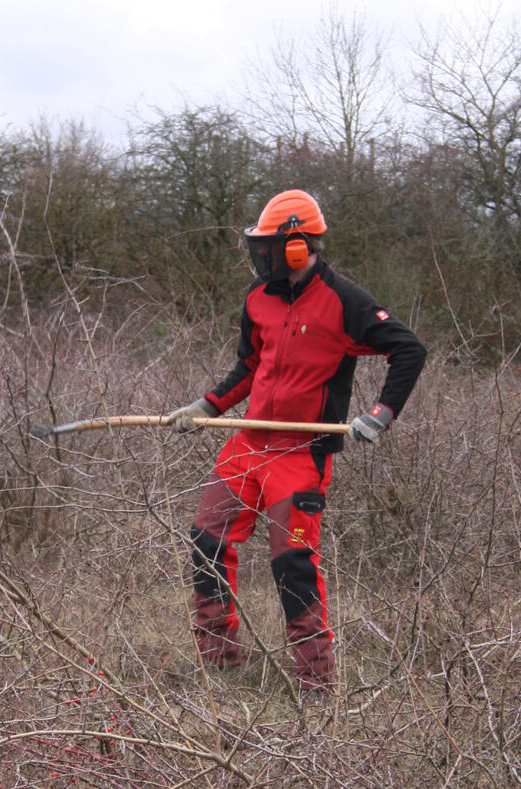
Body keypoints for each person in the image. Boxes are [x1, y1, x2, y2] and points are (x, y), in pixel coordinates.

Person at [167, 189, 427, 692]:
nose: (258, 256)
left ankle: (315, 686)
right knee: (206, 542)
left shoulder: (345, 301)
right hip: (247, 445)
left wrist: (379, 414)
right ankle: (219, 664)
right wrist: (207, 406)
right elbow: (249, 366)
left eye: (266, 247)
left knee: (292, 564)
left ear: (295, 247)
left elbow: (408, 349)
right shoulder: (258, 299)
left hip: (300, 454)